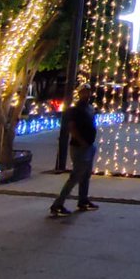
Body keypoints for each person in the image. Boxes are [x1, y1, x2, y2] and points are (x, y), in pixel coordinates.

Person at [50, 86, 99, 216]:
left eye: (88, 91)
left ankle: (83, 200)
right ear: (80, 93)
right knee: (75, 176)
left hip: (89, 145)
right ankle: (58, 205)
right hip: (79, 147)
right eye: (84, 92)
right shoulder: (76, 110)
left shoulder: (90, 108)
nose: (87, 94)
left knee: (86, 175)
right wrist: (81, 142)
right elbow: (71, 127)